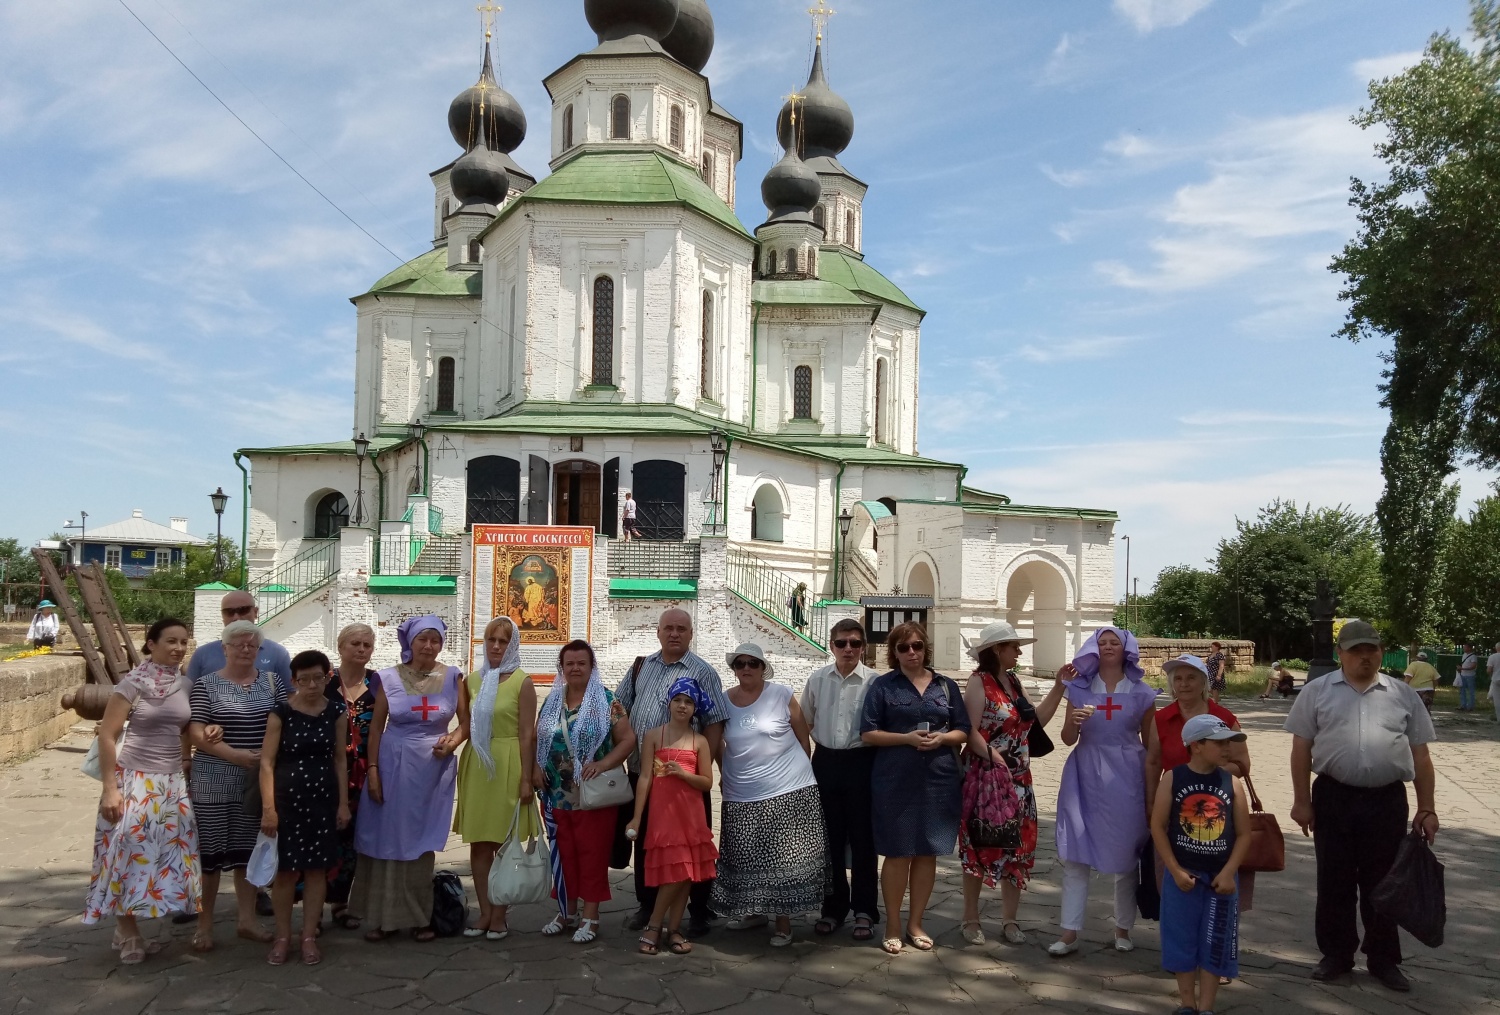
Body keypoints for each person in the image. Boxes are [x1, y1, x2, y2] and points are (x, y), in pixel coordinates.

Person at [1286, 620, 1440, 993]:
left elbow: (1420, 755)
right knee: (1334, 880)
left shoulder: (1402, 694)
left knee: (1385, 883)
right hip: (1333, 797)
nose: (1365, 656)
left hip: (1386, 800)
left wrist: (1427, 807)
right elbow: (1301, 749)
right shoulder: (1317, 691)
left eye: (1371, 648)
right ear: (1340, 653)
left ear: (1380, 652)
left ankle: (1383, 958)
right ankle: (1337, 954)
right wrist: (1302, 801)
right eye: (1356, 650)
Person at [83, 618, 202, 964]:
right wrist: (110, 789)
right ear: (151, 644)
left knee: (163, 856)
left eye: (183, 641)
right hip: (133, 779)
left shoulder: (185, 684)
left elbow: (184, 727)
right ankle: (129, 930)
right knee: (125, 854)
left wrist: (192, 749)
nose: (179, 648)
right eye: (171, 641)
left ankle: (129, 926)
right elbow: (107, 735)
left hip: (171, 783)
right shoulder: (132, 685)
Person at [616, 609, 730, 937]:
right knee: (650, 843)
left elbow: (714, 722)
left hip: (685, 778)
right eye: (669, 628)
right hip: (644, 772)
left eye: (682, 629)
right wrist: (620, 738)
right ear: (658, 631)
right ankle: (647, 904)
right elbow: (620, 705)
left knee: (692, 842)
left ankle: (698, 909)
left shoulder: (702, 672)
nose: (674, 634)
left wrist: (699, 767)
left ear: (692, 634)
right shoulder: (642, 666)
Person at [860, 621, 971, 955]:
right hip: (895, 778)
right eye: (904, 647)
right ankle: (893, 923)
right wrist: (906, 739)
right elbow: (868, 733)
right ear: (894, 652)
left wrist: (943, 737)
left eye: (917, 646)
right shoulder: (884, 686)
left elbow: (963, 729)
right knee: (897, 853)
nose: (912, 652)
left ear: (926, 648)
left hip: (938, 778)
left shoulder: (945, 686)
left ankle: (916, 922)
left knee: (926, 852)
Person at [352, 615, 465, 942]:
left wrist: (453, 741)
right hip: (393, 762)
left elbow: (465, 723)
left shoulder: (453, 677)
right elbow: (376, 728)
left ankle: (419, 916)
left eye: (435, 640)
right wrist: (373, 770)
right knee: (386, 836)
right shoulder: (388, 678)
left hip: (432, 769)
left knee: (420, 841)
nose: (428, 646)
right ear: (410, 642)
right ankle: (381, 918)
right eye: (422, 639)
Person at [1049, 626, 1159, 957]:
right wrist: (1076, 723)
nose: (1108, 647)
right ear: (1093, 649)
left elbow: (1151, 746)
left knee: (1127, 852)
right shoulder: (1079, 688)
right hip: (1084, 774)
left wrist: (1153, 793)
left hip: (1127, 775)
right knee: (1076, 852)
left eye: (1114, 642)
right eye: (1102, 642)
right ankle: (1069, 932)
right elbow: (1068, 738)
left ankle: (1122, 928)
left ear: (1126, 649)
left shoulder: (1142, 692)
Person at [958, 622, 1066, 947]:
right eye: (1014, 646)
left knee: (1018, 848)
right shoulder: (980, 682)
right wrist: (994, 756)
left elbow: (1035, 722)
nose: (1019, 651)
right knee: (980, 845)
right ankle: (970, 918)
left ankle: (1009, 919)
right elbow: (970, 730)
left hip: (1020, 781)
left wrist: (1059, 687)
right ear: (997, 649)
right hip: (988, 779)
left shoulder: (1014, 682)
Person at [711, 643, 824, 947]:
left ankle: (783, 923)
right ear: (733, 669)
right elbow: (719, 743)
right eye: (739, 664)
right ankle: (753, 912)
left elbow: (803, 738)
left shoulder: (781, 695)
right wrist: (723, 772)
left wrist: (800, 775)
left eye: (753, 663)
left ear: (763, 667)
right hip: (742, 790)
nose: (746, 669)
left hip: (787, 787)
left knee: (781, 858)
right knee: (745, 854)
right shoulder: (724, 701)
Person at [188, 620, 286, 951]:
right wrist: (236, 755)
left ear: (260, 650)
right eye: (238, 644)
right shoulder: (206, 685)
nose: (245, 649)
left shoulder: (272, 684)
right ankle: (204, 924)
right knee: (210, 856)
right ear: (224, 649)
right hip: (213, 780)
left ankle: (246, 920)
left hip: (256, 782)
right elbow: (197, 732)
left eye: (252, 645)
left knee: (247, 852)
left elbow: (286, 723)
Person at [534, 640, 636, 944]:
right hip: (555, 794)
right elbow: (538, 737)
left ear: (592, 667)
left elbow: (628, 740)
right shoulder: (552, 701)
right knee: (563, 855)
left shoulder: (607, 701)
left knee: (591, 855)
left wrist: (603, 764)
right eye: (570, 663)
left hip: (592, 796)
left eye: (582, 663)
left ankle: (591, 917)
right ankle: (566, 911)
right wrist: (535, 769)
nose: (576, 668)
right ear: (561, 668)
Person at [1150, 715, 1253, 1015]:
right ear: (1196, 745)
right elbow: (1158, 827)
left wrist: (1229, 872)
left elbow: (1244, 834)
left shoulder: (1232, 783)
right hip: (1183, 876)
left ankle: (1206, 1007)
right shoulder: (1173, 777)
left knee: (1216, 942)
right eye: (1219, 743)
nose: (1227, 749)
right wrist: (1175, 870)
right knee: (1181, 938)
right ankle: (1187, 1004)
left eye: (1228, 743)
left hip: (1220, 879)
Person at [259, 650, 350, 966]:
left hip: (322, 800)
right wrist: (269, 809)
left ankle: (308, 936)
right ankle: (283, 937)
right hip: (287, 801)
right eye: (304, 679)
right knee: (284, 873)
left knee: (315, 872)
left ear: (327, 678)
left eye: (318, 677)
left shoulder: (337, 711)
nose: (311, 684)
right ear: (294, 681)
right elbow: (267, 763)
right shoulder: (281, 712)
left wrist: (343, 805)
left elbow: (340, 759)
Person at [1150, 654, 1255, 922]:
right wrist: (1150, 802)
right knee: (1175, 877)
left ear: (1204, 682)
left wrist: (1202, 773)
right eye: (1178, 679)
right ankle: (1180, 944)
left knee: (1215, 876)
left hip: (1215, 806)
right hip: (1173, 806)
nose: (1184, 684)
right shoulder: (1161, 719)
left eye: (1191, 678)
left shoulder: (1223, 717)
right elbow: (1152, 762)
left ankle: (1216, 933)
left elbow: (1242, 764)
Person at [453, 617, 538, 940]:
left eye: (503, 641)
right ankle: (484, 912)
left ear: (512, 644)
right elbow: (465, 724)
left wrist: (527, 777)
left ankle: (500, 914)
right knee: (479, 843)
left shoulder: (522, 682)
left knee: (503, 843)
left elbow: (527, 734)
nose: (496, 647)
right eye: (491, 640)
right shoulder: (473, 681)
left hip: (509, 763)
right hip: (478, 765)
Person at [624, 678, 719, 955]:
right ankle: (656, 925)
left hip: (690, 815)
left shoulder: (699, 741)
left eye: (689, 702)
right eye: (678, 700)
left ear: (695, 708)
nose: (682, 705)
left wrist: (684, 774)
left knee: (687, 873)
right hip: (663, 815)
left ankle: (672, 928)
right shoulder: (653, 735)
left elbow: (707, 782)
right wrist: (637, 818)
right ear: (669, 703)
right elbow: (644, 778)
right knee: (674, 871)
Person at [800, 619, 880, 941]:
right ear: (831, 645)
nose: (848, 649)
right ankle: (832, 909)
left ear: (863, 647)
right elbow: (803, 723)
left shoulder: (876, 682)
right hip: (826, 762)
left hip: (862, 762)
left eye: (855, 643)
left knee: (864, 840)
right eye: (841, 643)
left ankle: (864, 910)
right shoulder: (817, 679)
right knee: (829, 840)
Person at [326, 623, 378, 929]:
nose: (360, 649)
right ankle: (312, 907)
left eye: (366, 645)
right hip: (329, 769)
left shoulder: (378, 682)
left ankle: (341, 903)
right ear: (341, 646)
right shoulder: (325, 681)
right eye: (354, 643)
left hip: (364, 769)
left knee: (353, 838)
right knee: (325, 834)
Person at [186, 590, 292, 687]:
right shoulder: (202, 655)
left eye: (243, 610)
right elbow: (190, 696)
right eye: (229, 612)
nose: (236, 617)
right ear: (222, 616)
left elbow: (289, 697)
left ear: (255, 612)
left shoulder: (278, 654)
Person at [1457, 643, 1479, 712]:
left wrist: (1463, 669)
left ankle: (1470, 706)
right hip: (1463, 675)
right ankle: (1463, 705)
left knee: (1471, 691)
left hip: (1470, 676)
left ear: (1469, 648)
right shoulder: (1464, 655)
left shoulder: (1473, 656)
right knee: (1462, 691)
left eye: (1465, 647)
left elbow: (1473, 666)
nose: (1464, 648)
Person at [1488, 642, 1500, 722]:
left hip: (1496, 679)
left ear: (1496, 648)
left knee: (1497, 700)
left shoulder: (1492, 657)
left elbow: (1489, 670)